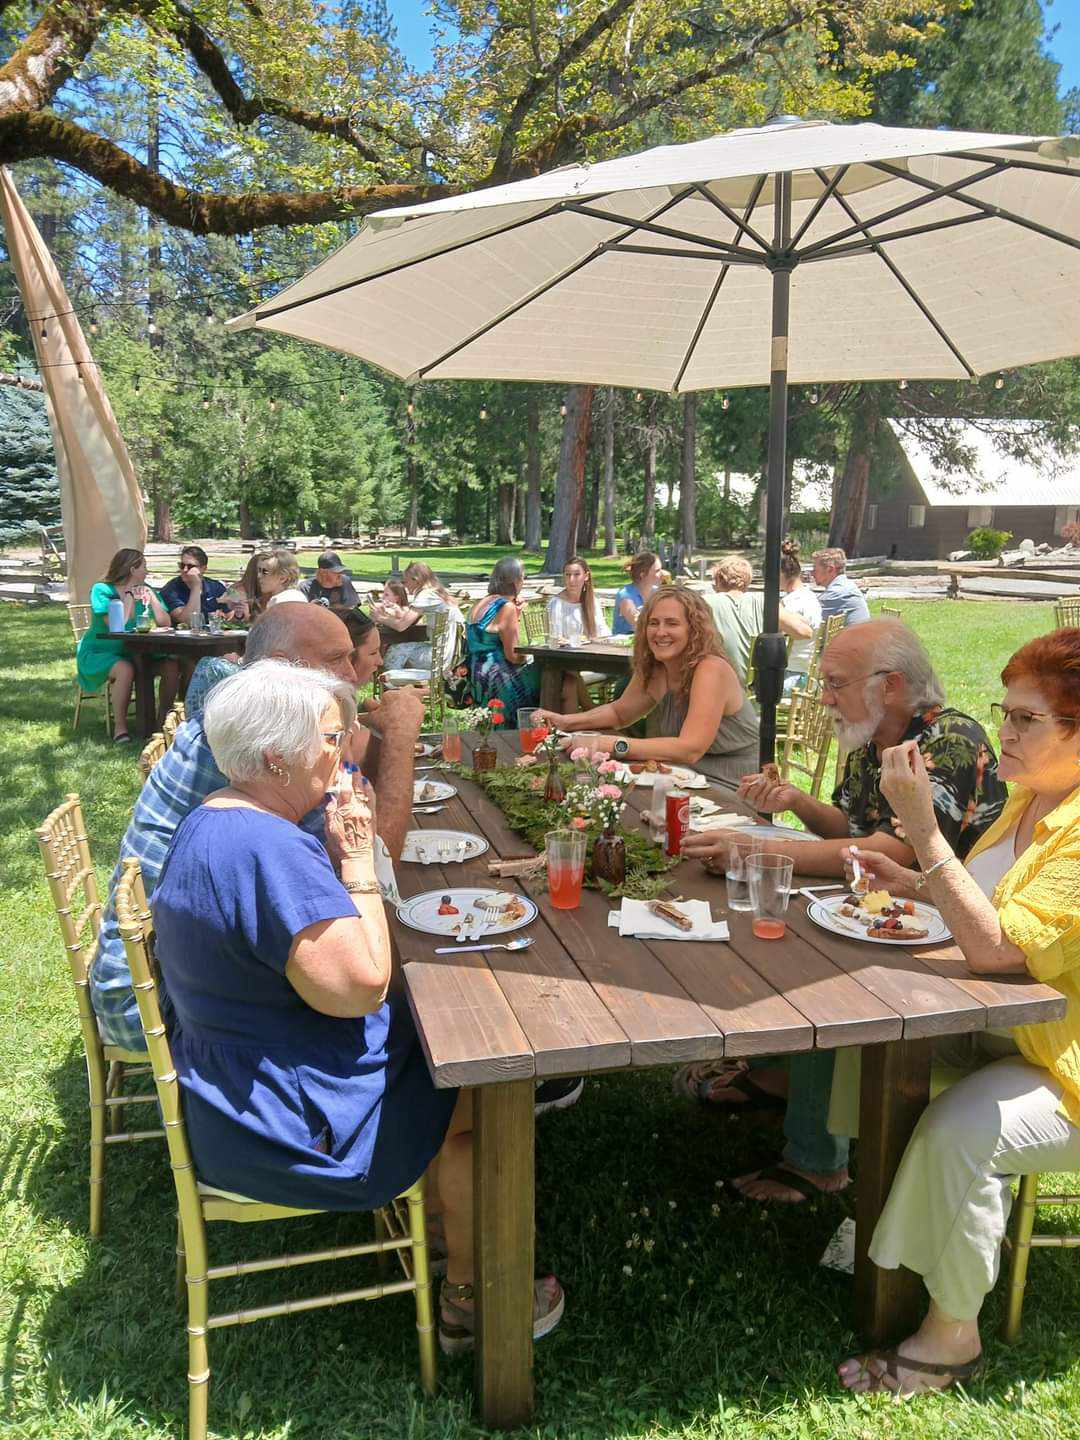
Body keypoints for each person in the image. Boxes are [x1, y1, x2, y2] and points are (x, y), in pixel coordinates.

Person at [152, 661, 564, 1352]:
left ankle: (442, 1223)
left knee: (444, 1041)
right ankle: (473, 1297)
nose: (341, 751)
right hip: (292, 1132)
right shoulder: (267, 851)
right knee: (489, 1091)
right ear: (277, 757)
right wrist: (357, 865)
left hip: (234, 1095)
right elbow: (362, 987)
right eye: (330, 738)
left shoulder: (214, 818)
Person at [677, 619, 1008, 1202]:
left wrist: (755, 849)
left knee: (817, 976)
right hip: (890, 909)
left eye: (836, 683)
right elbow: (851, 829)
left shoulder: (948, 741)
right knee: (771, 928)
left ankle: (818, 1160)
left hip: (954, 937)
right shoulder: (870, 737)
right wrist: (797, 801)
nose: (824, 697)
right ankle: (780, 1075)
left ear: (892, 685)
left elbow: (894, 851)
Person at [836, 628, 1080, 1395]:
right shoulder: (1031, 800)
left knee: (964, 1130)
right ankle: (873, 1222)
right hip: (1009, 1030)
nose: (1005, 731)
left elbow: (999, 948)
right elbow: (990, 902)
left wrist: (921, 828)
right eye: (1006, 713)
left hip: (1064, 1061)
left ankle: (951, 1336)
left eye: (1026, 719)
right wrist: (909, 883)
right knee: (860, 1044)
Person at [90, 604, 424, 1052]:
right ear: (282, 668)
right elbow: (373, 870)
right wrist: (400, 740)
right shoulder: (262, 773)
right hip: (148, 1001)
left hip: (182, 973)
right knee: (417, 1001)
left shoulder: (245, 727)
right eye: (336, 659)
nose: (352, 672)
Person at [535, 587, 760, 784]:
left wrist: (611, 744)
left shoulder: (710, 669)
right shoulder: (657, 667)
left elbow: (690, 749)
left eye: (672, 623)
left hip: (734, 784)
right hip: (683, 777)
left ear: (694, 630)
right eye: (653, 623)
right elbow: (619, 713)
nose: (660, 632)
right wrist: (565, 721)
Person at [76, 548, 179, 743]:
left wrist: (153, 599)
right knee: (125, 669)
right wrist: (130, 595)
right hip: (101, 651)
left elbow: (165, 623)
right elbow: (117, 626)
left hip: (136, 651)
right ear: (133, 569)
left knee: (171, 666)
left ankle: (161, 723)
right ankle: (120, 728)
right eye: (144, 567)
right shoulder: (102, 590)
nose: (147, 571)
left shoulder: (146, 588)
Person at [704, 555, 813, 684]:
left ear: (718, 579)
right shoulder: (764, 602)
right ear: (748, 580)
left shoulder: (705, 603)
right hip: (758, 686)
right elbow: (805, 632)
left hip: (718, 684)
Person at [465, 556, 539, 722]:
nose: (523, 582)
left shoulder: (480, 603)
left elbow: (488, 635)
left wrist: (515, 614)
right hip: (499, 676)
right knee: (553, 676)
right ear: (516, 581)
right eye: (523, 577)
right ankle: (544, 727)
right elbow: (513, 656)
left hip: (477, 674)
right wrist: (531, 655)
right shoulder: (506, 607)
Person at [547, 555, 611, 710]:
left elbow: (603, 633)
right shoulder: (557, 603)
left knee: (570, 684)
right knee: (570, 683)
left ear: (586, 576)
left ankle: (588, 715)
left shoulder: (592, 601)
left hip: (590, 659)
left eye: (576, 575)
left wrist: (590, 640)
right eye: (568, 575)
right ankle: (592, 711)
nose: (571, 580)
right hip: (565, 661)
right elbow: (555, 638)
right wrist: (574, 641)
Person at [378, 562, 464, 672]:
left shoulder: (426, 595)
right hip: (452, 654)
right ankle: (402, 680)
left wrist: (380, 617)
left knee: (396, 650)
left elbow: (401, 626)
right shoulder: (438, 593)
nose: (404, 586)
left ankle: (389, 680)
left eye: (405, 581)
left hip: (440, 657)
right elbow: (410, 619)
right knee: (405, 649)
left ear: (416, 580)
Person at [778, 538, 822, 691]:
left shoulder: (789, 604)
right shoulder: (810, 596)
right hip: (808, 674)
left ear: (782, 574)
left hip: (790, 677)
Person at [159, 545, 231, 626]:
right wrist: (196, 587)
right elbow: (187, 621)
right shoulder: (171, 589)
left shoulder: (216, 586)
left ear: (203, 569)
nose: (185, 570)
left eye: (190, 566)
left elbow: (234, 613)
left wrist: (225, 615)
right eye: (182, 565)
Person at [812, 546, 870, 627]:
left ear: (830, 569)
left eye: (815, 569)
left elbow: (807, 615)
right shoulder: (846, 585)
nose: (812, 573)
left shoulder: (838, 592)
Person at [612, 552, 662, 635]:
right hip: (627, 640)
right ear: (643, 575)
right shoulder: (626, 596)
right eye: (657, 571)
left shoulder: (657, 592)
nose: (662, 573)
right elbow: (639, 625)